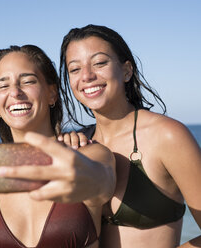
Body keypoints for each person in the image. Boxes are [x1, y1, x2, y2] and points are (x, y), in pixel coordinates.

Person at [0, 44, 116, 248]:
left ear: (52, 94)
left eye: (28, 81)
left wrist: (77, 166)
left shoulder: (89, 154)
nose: (15, 92)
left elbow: (104, 182)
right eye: (3, 85)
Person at [57, 24, 201, 247]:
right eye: (75, 69)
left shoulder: (167, 136)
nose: (87, 76)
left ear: (126, 71)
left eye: (99, 63)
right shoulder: (78, 143)